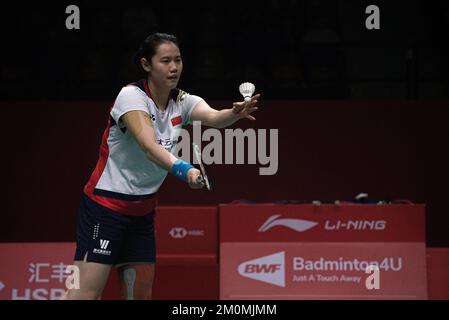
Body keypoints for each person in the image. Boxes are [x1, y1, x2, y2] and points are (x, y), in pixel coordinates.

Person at [63, 33, 260, 300]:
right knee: (84, 294)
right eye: (165, 61)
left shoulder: (182, 100)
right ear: (146, 64)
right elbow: (149, 147)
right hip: (105, 208)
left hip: (142, 212)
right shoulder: (131, 97)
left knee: (139, 296)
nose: (174, 67)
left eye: (178, 60)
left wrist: (234, 113)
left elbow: (214, 117)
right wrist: (185, 170)